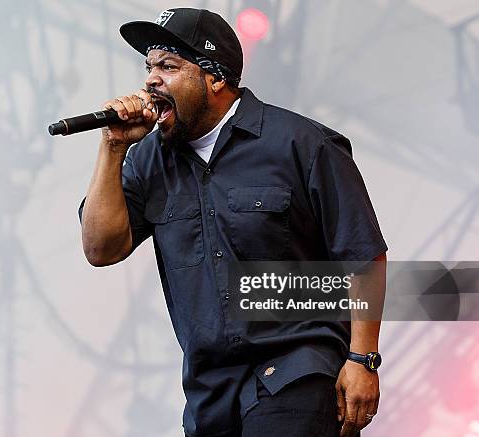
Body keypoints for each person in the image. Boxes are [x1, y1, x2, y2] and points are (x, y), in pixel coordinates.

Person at [78, 7, 387, 437]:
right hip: (209, 392)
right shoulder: (148, 160)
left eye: (168, 66)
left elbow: (362, 254)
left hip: (296, 372)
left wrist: (362, 359)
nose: (150, 80)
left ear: (215, 77)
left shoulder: (300, 144)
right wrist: (113, 147)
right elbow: (100, 248)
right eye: (149, 67)